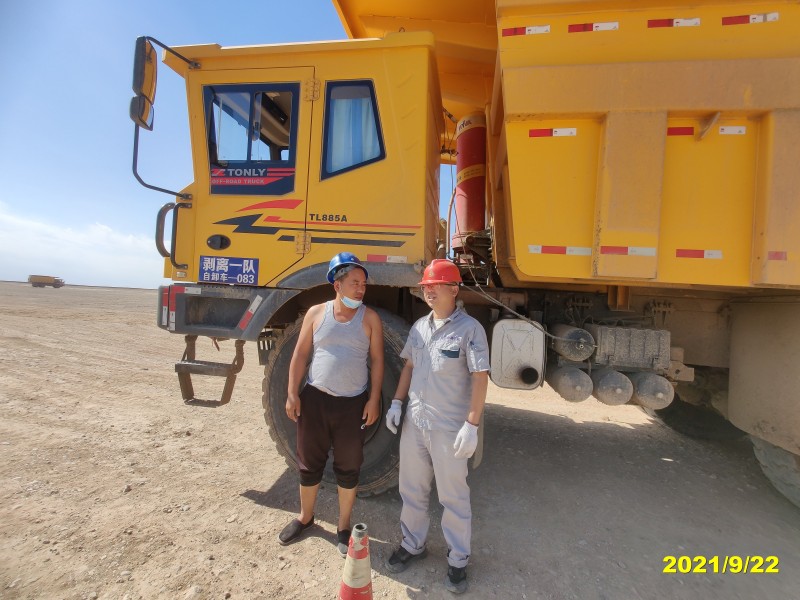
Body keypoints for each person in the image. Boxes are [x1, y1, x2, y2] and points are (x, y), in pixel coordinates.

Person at [384, 259, 489, 594]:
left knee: (453, 496)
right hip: (416, 423)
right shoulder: (419, 327)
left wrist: (471, 425)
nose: (428, 291)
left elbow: (480, 378)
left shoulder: (470, 330)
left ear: (454, 289)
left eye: (436, 286)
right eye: (426, 287)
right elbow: (409, 367)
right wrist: (397, 403)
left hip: (449, 428)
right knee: (412, 489)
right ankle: (412, 544)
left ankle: (458, 560)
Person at [278, 252, 384, 557]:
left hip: (352, 405)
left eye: (363, 284)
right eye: (355, 283)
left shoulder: (370, 318)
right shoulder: (315, 314)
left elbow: (378, 361)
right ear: (337, 285)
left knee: (348, 467)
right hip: (315, 400)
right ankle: (305, 517)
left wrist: (374, 399)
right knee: (308, 463)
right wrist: (292, 393)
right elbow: (300, 355)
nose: (361, 289)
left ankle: (343, 526)